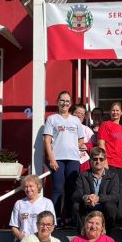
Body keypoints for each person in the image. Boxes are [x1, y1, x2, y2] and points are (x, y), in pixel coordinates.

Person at [43, 90, 85, 225]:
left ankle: (69, 217)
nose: (65, 103)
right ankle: (56, 219)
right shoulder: (52, 119)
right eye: (62, 100)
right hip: (58, 159)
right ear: (58, 102)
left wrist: (73, 147)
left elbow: (80, 141)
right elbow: (47, 141)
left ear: (71, 104)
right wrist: (52, 159)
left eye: (67, 101)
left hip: (73, 160)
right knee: (57, 189)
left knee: (71, 190)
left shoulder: (76, 120)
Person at [72, 147, 120, 234]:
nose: (98, 161)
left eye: (101, 159)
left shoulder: (113, 176)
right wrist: (85, 197)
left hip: (103, 205)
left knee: (111, 206)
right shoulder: (83, 175)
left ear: (105, 161)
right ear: (90, 161)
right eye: (95, 159)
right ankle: (83, 235)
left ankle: (107, 235)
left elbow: (115, 196)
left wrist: (99, 198)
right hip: (88, 205)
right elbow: (76, 194)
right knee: (76, 205)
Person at [97, 102, 122, 179]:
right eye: (113, 110)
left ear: (121, 112)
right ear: (110, 112)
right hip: (109, 162)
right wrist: (104, 161)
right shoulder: (105, 124)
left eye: (117, 110)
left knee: (117, 189)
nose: (115, 112)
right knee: (108, 189)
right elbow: (101, 143)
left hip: (120, 163)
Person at [72, 104, 95, 172]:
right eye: (77, 113)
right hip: (69, 161)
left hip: (84, 165)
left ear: (84, 116)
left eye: (82, 114)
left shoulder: (86, 129)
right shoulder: (66, 128)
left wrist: (87, 146)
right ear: (72, 113)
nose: (79, 115)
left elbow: (95, 146)